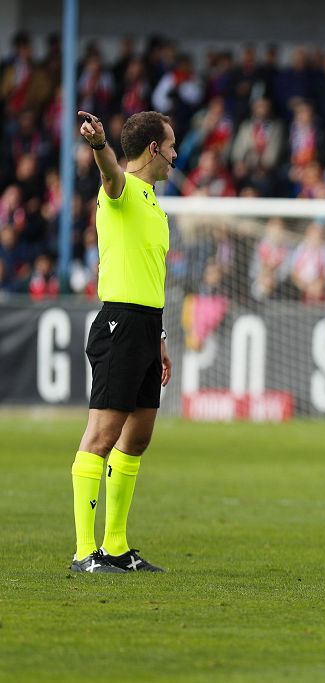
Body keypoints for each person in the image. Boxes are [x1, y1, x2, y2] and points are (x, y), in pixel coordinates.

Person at [70, 109, 176, 573]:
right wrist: (98, 144)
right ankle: (82, 552)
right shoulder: (119, 190)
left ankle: (115, 546)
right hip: (119, 324)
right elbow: (112, 173)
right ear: (153, 148)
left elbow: (150, 274)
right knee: (102, 435)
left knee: (137, 436)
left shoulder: (153, 201)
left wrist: (161, 336)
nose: (175, 155)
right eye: (170, 146)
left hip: (147, 325)